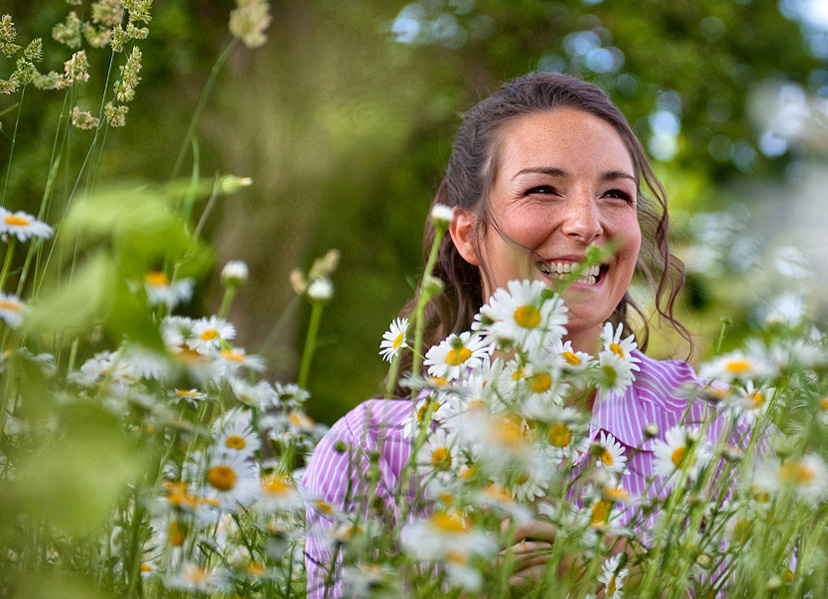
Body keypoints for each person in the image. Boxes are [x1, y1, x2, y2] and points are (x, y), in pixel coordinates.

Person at [302, 72, 740, 598]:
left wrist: (630, 587)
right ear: (466, 233)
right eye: (542, 189)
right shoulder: (371, 454)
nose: (587, 223)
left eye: (615, 195)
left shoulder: (715, 429)